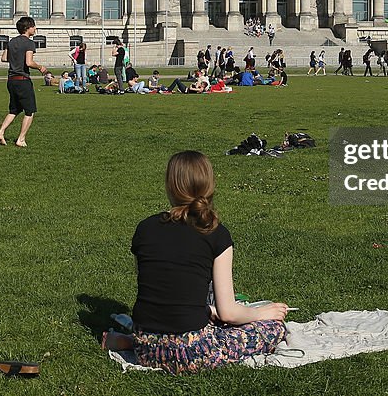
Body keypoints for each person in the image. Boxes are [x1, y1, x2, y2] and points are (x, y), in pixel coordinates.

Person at [102, 151, 287, 373]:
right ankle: (139, 342)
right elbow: (228, 313)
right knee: (273, 328)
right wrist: (261, 314)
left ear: (170, 187)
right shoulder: (216, 233)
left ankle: (129, 341)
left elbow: (158, 287)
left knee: (206, 314)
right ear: (209, 186)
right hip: (193, 353)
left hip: (146, 348)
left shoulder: (144, 228)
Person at [0, 16, 47, 147]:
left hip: (11, 80)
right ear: (28, 28)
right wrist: (40, 67)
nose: (35, 29)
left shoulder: (11, 42)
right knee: (30, 111)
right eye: (34, 26)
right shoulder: (29, 43)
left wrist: (15, 59)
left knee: (14, 110)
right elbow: (29, 62)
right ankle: (21, 139)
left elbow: (4, 58)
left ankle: (0, 132)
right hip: (23, 80)